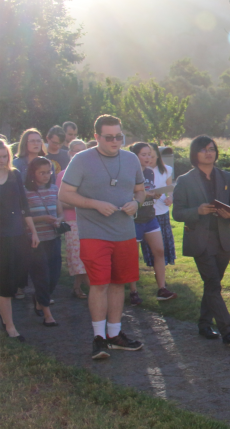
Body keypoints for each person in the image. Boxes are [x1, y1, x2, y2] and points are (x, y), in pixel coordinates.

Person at [59, 114, 146, 360]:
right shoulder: (81, 160)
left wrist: (135, 203)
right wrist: (94, 204)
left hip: (125, 234)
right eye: (109, 137)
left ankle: (115, 335)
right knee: (99, 285)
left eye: (119, 136)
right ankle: (98, 338)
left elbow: (140, 191)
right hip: (94, 234)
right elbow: (65, 194)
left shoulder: (131, 159)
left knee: (119, 284)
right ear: (96, 137)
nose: (115, 141)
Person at [172, 136, 230, 344]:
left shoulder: (227, 177)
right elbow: (177, 213)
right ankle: (227, 330)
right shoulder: (185, 180)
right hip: (200, 240)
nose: (208, 153)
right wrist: (198, 210)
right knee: (212, 283)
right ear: (195, 154)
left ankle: (204, 324)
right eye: (203, 150)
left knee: (212, 285)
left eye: (211, 149)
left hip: (223, 240)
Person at [124, 142, 178, 305]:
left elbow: (149, 191)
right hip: (133, 220)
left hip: (150, 217)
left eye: (150, 154)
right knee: (133, 256)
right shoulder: (127, 173)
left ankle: (162, 289)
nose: (148, 158)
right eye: (144, 154)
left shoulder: (149, 172)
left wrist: (153, 195)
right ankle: (133, 291)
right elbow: (125, 196)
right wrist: (145, 194)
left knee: (159, 251)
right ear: (135, 156)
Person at [0, 139, 38, 342]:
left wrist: (33, 231)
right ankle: (10, 326)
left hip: (16, 235)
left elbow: (24, 205)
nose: (1, 160)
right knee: (4, 283)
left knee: (12, 281)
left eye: (4, 156)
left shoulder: (15, 175)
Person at [24, 157, 62, 327]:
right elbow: (23, 217)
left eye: (48, 172)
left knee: (54, 277)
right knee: (42, 277)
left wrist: (58, 220)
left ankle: (40, 299)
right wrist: (43, 218)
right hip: (35, 241)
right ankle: (48, 315)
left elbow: (60, 212)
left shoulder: (54, 189)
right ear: (33, 174)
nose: (46, 175)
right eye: (42, 173)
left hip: (53, 238)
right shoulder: (25, 192)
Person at [56, 139, 90, 299]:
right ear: (70, 153)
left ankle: (77, 287)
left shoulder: (90, 172)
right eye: (76, 151)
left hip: (90, 219)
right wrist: (80, 203)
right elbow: (58, 201)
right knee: (77, 255)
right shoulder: (62, 175)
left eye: (82, 151)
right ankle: (93, 288)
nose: (79, 154)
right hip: (72, 220)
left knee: (88, 255)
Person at [150, 146, 178, 288]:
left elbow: (169, 189)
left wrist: (170, 198)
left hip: (161, 211)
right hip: (145, 213)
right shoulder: (139, 170)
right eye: (146, 155)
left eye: (153, 156)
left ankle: (161, 280)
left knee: (161, 248)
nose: (149, 159)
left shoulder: (166, 169)